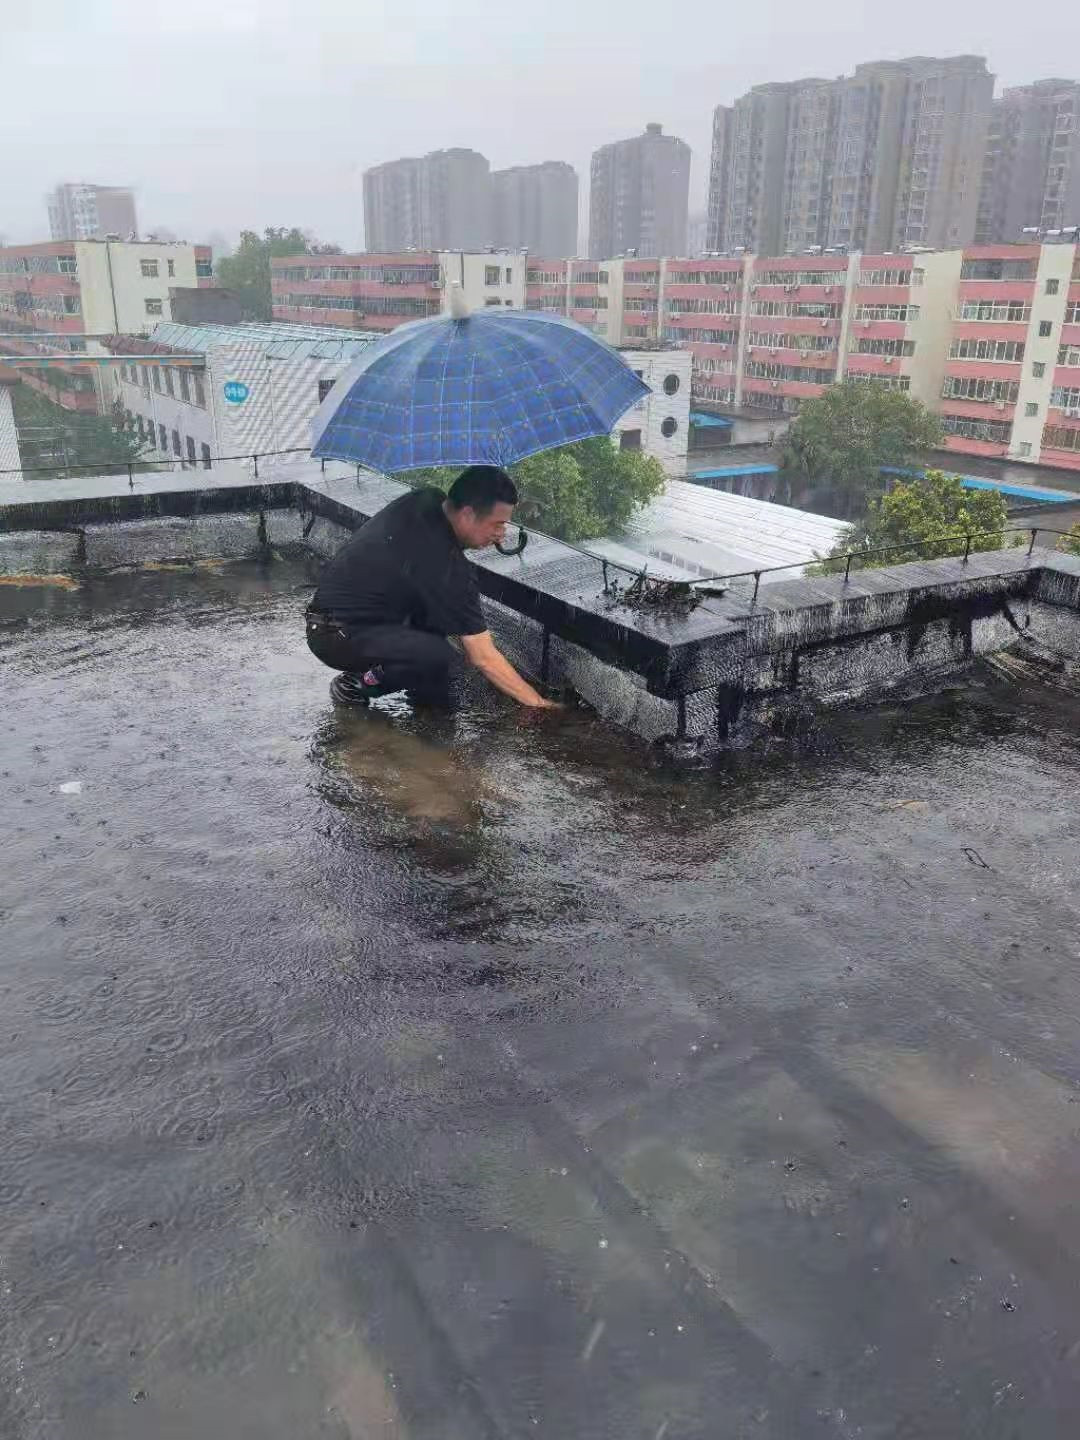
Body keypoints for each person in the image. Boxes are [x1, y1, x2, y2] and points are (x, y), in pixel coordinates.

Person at [306, 466, 558, 710]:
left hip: (332, 619)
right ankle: (358, 685)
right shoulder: (448, 565)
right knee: (440, 657)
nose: (502, 534)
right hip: (338, 636)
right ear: (468, 514)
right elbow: (483, 657)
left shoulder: (424, 499)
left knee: (437, 626)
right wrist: (538, 703)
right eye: (498, 524)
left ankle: (422, 694)